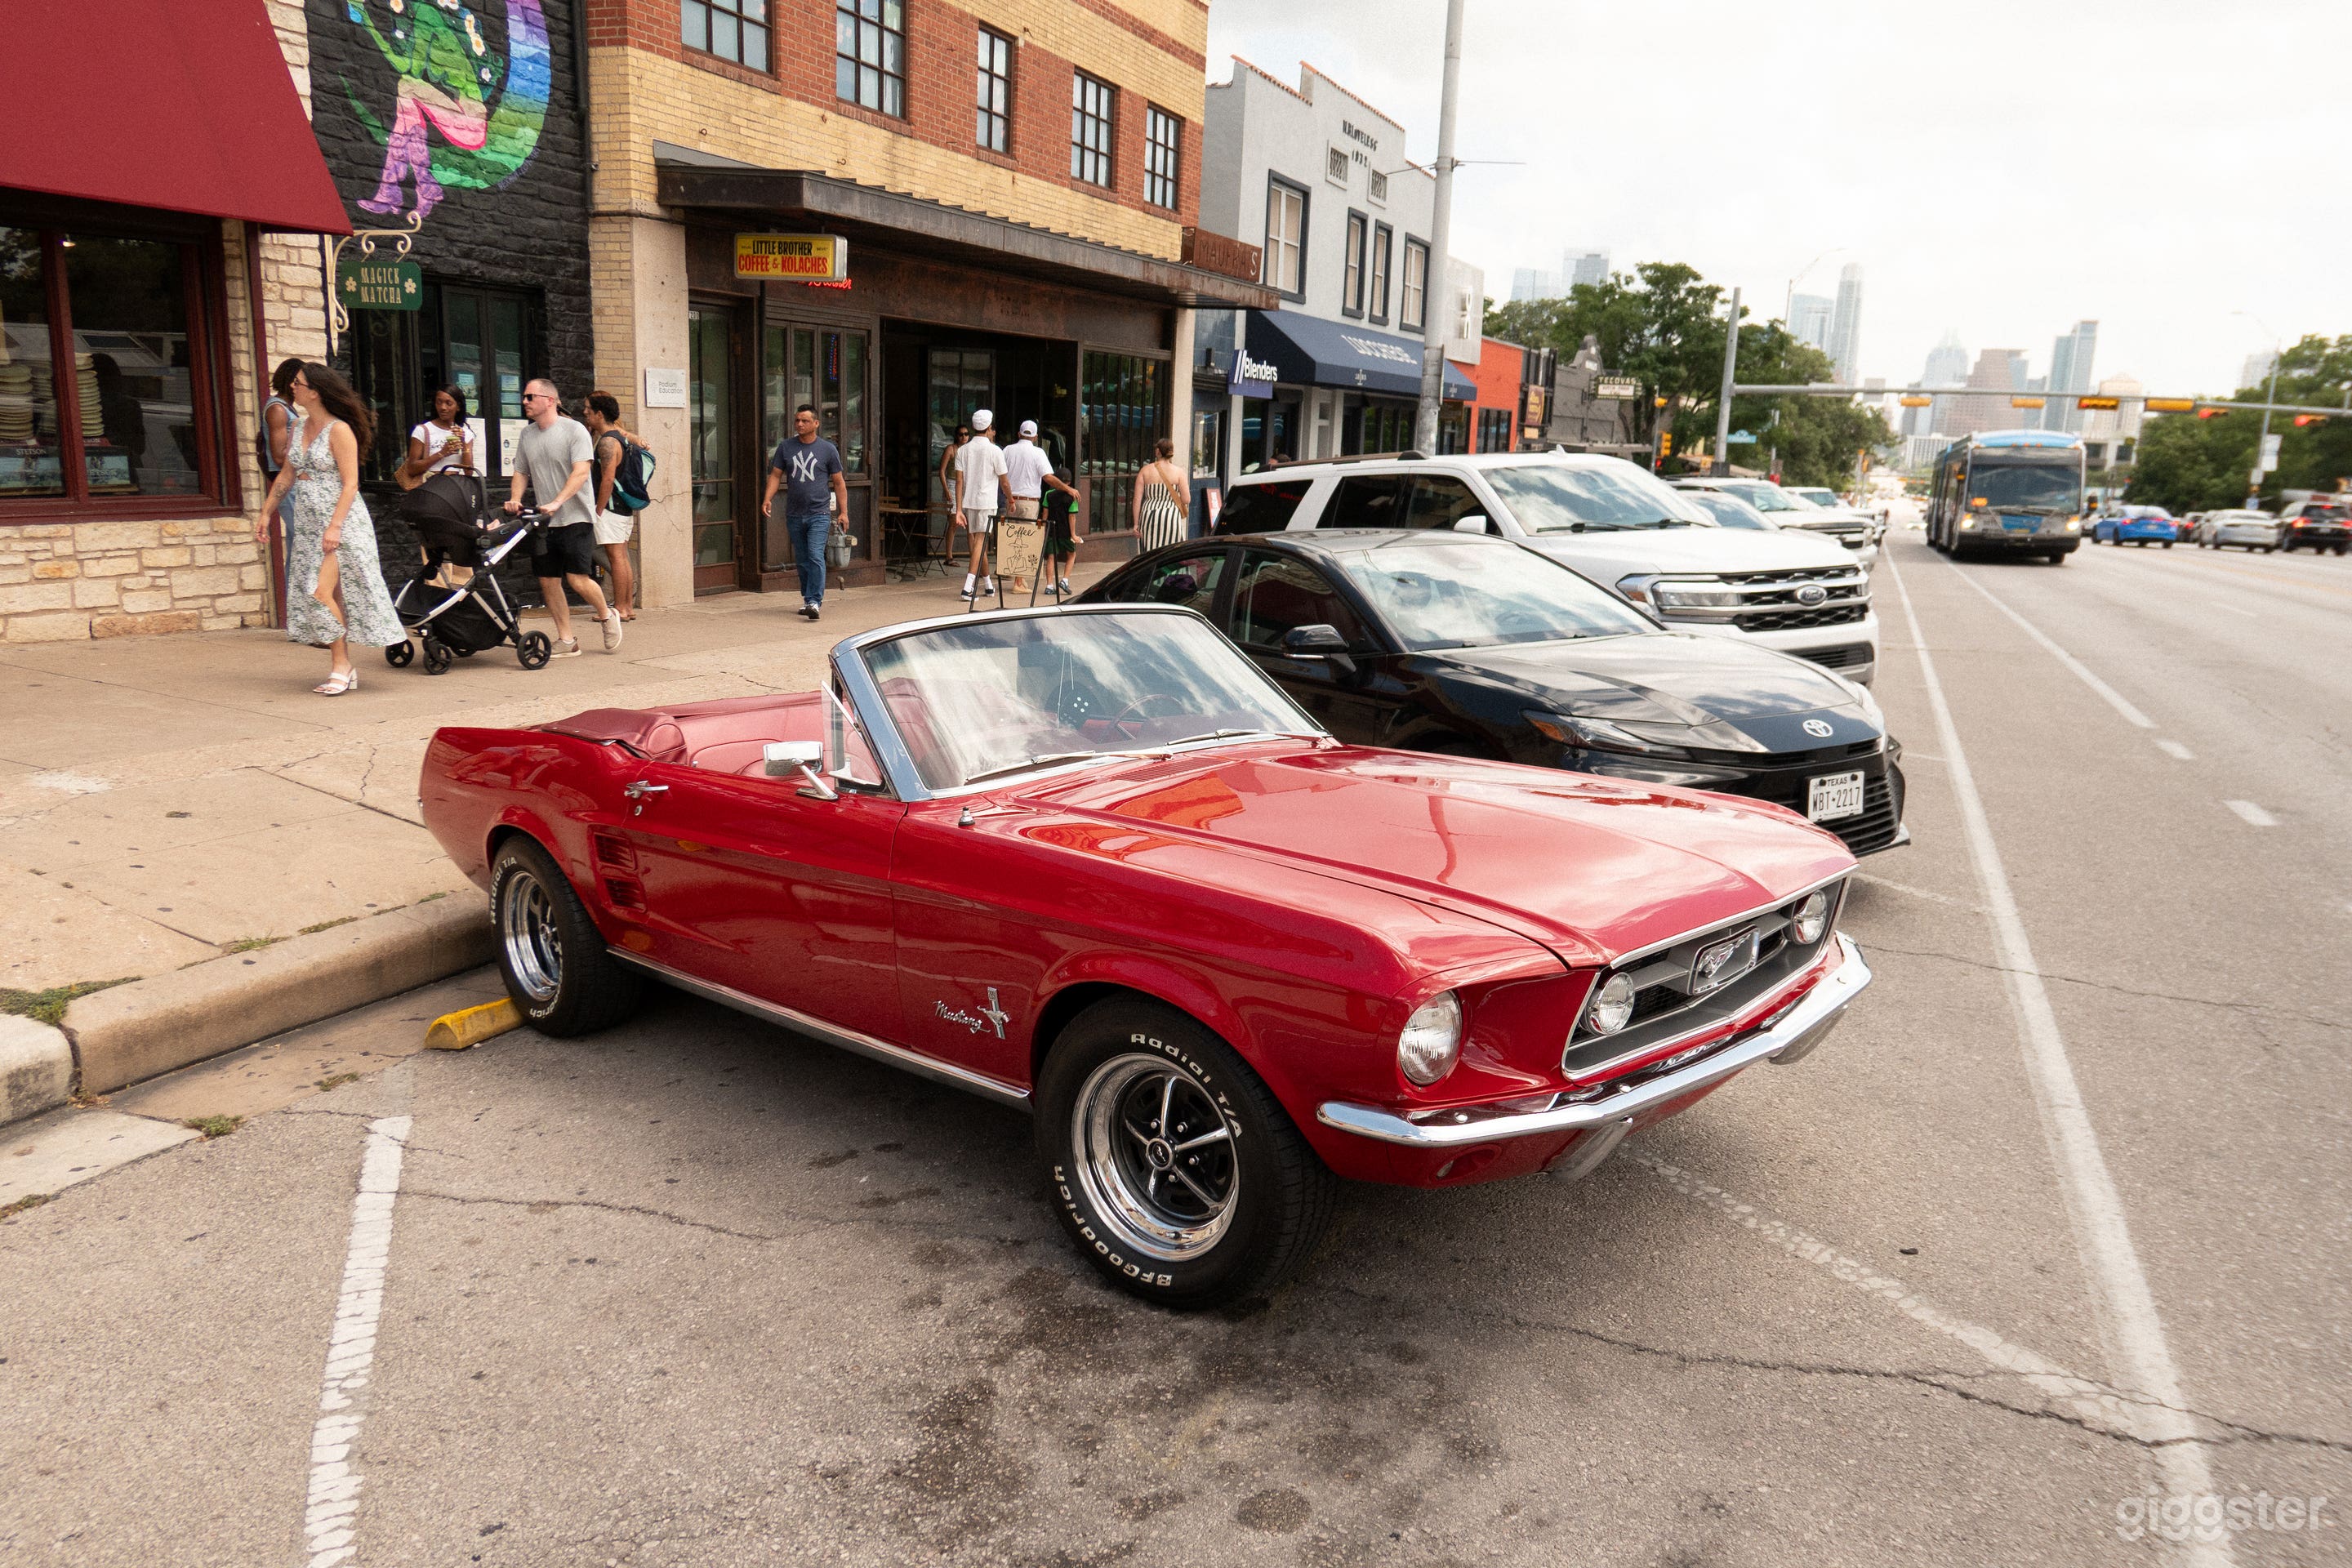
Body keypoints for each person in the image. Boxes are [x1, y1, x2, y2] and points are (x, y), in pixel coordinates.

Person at [254, 362, 404, 694]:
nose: (293, 387)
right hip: (309, 521)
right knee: (329, 594)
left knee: (320, 592)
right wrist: (266, 513)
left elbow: (351, 484)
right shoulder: (298, 427)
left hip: (342, 521)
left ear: (316, 391)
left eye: (299, 383)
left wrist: (335, 527)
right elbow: (287, 475)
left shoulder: (339, 430)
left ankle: (342, 665)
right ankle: (342, 665)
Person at [505, 376, 621, 657]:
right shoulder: (528, 434)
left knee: (576, 578)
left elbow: (581, 472)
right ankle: (567, 640)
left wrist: (558, 501)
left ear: (549, 400)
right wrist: (516, 499)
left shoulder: (575, 431)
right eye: (524, 397)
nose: (524, 402)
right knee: (547, 580)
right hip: (545, 521)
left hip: (576, 517)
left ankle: (607, 615)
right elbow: (521, 471)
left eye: (529, 397)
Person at [759, 403, 849, 621]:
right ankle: (808, 599)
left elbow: (839, 482)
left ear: (816, 424)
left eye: (805, 421)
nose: (799, 424)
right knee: (802, 559)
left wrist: (844, 512)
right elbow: (775, 475)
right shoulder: (786, 447)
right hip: (794, 513)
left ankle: (815, 601)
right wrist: (767, 499)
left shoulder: (827, 449)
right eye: (797, 420)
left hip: (819, 513)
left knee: (815, 555)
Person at [1001, 419, 1081, 595]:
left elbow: (1002, 475)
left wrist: (1008, 497)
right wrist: (1068, 488)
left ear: (1019, 434)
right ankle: (1018, 582)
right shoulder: (1038, 453)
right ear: (1036, 437)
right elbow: (1049, 478)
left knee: (1014, 538)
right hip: (1029, 501)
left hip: (1012, 499)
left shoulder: (1008, 450)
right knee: (1025, 541)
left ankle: (1018, 580)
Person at [583, 390, 639, 621]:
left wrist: (599, 508)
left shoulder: (607, 442)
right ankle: (626, 607)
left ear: (599, 413)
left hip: (611, 508)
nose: (585, 413)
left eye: (588, 410)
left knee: (616, 558)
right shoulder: (621, 437)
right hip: (623, 508)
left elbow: (607, 478)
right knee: (622, 557)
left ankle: (620, 608)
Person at [954, 408, 1009, 601]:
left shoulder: (963, 450)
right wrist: (1010, 499)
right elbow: (1004, 481)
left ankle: (987, 585)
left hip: (969, 502)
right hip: (986, 502)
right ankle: (968, 587)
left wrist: (959, 509)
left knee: (979, 543)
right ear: (989, 428)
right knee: (980, 542)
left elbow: (959, 481)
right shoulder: (995, 450)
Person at [402, 384, 474, 486]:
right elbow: (412, 469)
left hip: (455, 489)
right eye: (439, 403)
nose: (443, 407)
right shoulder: (423, 430)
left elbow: (469, 472)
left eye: (449, 403)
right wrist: (442, 453)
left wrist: (463, 444)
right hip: (431, 488)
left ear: (458, 407)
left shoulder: (465, 433)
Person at [1134, 438, 1188, 552]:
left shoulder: (1145, 471)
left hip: (1148, 514)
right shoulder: (1179, 472)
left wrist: (1136, 524)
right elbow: (1186, 499)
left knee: (1149, 551)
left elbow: (1137, 499)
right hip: (1171, 516)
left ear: (1157, 451)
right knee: (1171, 551)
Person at [1041, 454, 1085, 599]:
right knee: (1071, 555)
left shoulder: (1048, 494)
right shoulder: (1072, 497)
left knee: (1051, 557)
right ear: (1070, 482)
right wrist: (1073, 534)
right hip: (1066, 531)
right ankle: (1065, 580)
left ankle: (1049, 585)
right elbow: (1072, 516)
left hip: (1051, 530)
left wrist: (1043, 528)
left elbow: (1045, 514)